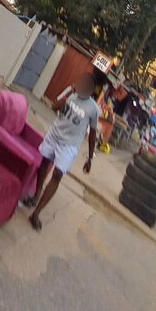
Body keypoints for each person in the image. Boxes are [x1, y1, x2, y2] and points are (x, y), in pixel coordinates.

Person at [24, 73, 100, 231]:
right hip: (54, 135)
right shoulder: (71, 96)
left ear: (91, 90)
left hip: (69, 145)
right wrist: (70, 92)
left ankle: (36, 214)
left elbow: (92, 134)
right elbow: (54, 106)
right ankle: (36, 196)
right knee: (44, 163)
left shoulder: (94, 109)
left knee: (57, 174)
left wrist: (90, 158)